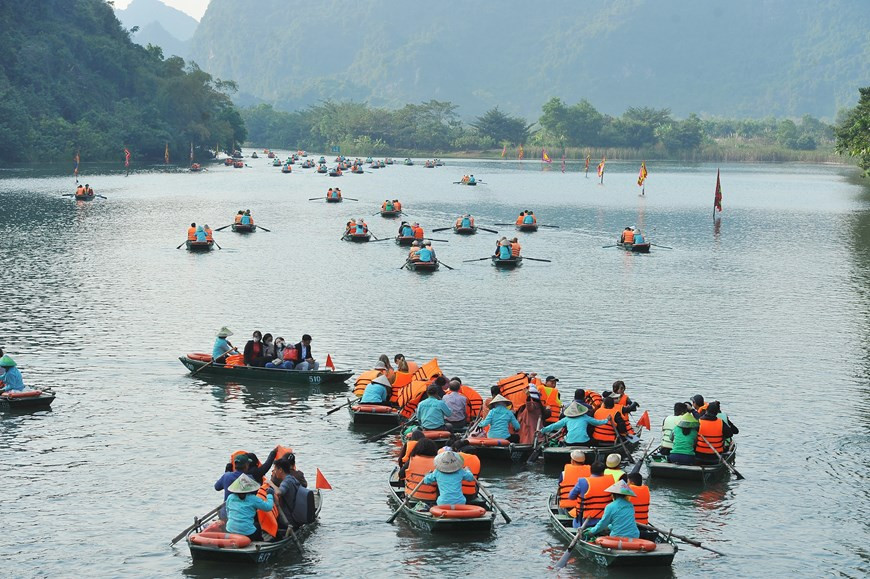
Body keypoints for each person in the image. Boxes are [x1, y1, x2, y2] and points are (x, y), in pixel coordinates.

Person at [225, 474, 274, 541]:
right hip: (247, 533)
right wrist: (270, 495)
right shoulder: (253, 498)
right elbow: (268, 507)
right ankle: (260, 541)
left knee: (254, 525)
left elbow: (228, 511)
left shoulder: (230, 497)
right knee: (258, 526)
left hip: (230, 529)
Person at [567, 461, 611, 527]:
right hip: (605, 520)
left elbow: (571, 496)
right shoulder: (610, 481)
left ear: (590, 471)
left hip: (585, 521)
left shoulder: (583, 482)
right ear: (603, 472)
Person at [541, 401, 608, 445]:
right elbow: (598, 422)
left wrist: (542, 430)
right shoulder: (585, 417)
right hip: (584, 442)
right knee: (594, 441)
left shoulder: (566, 419)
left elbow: (554, 426)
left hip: (570, 442)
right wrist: (607, 420)